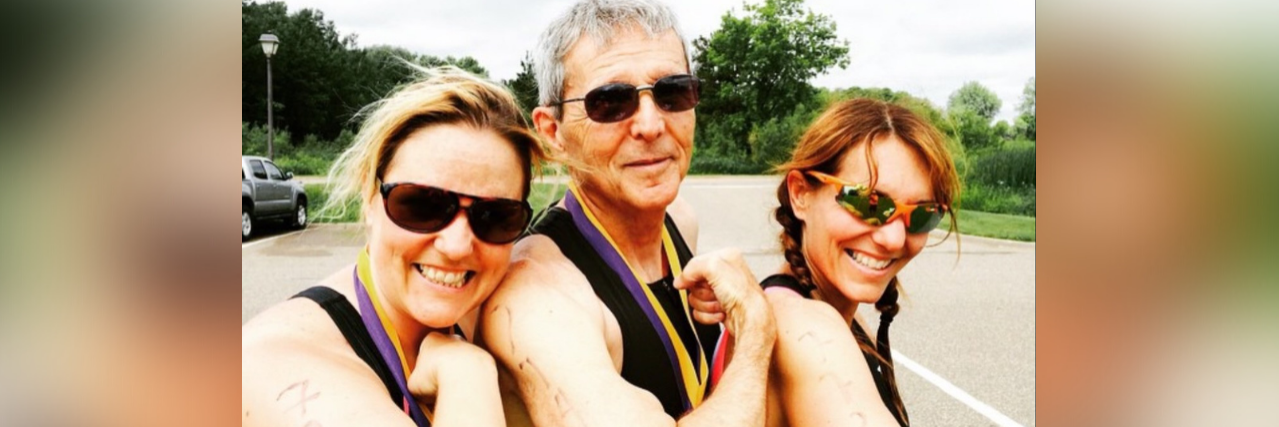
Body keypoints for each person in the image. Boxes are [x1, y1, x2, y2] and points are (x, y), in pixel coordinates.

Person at [478, 1, 777, 426]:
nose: (651, 125)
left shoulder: (680, 220)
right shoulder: (535, 296)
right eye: (611, 102)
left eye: (673, 93)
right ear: (553, 133)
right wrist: (756, 327)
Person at [242, 68, 545, 427]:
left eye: (496, 216)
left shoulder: (490, 311)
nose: (457, 246)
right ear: (370, 200)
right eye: (422, 205)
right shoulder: (277, 360)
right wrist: (468, 376)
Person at [755, 98, 961, 426]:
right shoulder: (804, 327)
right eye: (869, 203)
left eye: (923, 215)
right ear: (800, 194)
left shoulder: (834, 311)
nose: (893, 239)